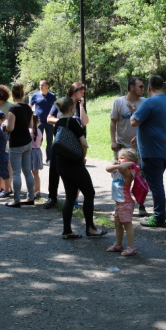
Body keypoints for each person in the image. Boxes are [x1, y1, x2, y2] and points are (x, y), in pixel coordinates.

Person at [54, 97, 106, 238]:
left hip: (61, 164)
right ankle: (90, 228)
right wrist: (82, 157)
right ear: (72, 108)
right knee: (89, 193)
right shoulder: (73, 122)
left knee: (70, 197)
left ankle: (67, 231)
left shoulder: (58, 123)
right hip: (74, 164)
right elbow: (83, 143)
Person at [131, 75, 166, 227]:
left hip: (151, 151)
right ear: (162, 86)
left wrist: (134, 112)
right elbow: (157, 123)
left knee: (156, 185)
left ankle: (159, 216)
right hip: (164, 149)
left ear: (149, 87)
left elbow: (134, 121)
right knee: (158, 183)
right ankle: (159, 214)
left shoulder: (149, 102)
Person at [44, 82, 89, 209]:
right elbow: (49, 118)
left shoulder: (80, 105)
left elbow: (85, 122)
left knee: (75, 171)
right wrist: (64, 121)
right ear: (75, 92)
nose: (83, 94)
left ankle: (73, 200)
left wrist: (81, 107)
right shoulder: (62, 103)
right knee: (54, 169)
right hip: (60, 142)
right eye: (81, 92)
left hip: (76, 142)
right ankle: (52, 197)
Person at [110, 76, 146, 213]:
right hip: (121, 147)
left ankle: (141, 205)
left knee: (140, 176)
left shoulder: (144, 102)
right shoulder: (119, 102)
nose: (143, 89)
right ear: (132, 87)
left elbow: (146, 122)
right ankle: (119, 205)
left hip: (139, 147)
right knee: (118, 177)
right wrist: (113, 141)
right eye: (140, 86)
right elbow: (113, 121)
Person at [5, 83, 36, 208]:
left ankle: (17, 200)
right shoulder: (28, 108)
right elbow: (30, 125)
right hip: (27, 142)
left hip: (16, 143)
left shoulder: (13, 109)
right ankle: (30, 197)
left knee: (16, 173)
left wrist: (5, 125)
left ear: (12, 95)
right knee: (28, 172)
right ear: (22, 95)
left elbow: (10, 128)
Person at [105, 148, 140, 256]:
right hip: (119, 203)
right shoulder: (118, 169)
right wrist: (118, 164)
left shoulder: (128, 173)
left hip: (125, 202)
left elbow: (121, 167)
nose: (119, 160)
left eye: (122, 158)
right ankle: (118, 245)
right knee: (118, 224)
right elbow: (107, 168)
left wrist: (132, 164)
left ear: (130, 161)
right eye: (118, 158)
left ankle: (131, 247)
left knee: (127, 224)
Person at [29, 80, 56, 164]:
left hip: (49, 122)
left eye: (43, 85)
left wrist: (55, 118)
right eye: (40, 85)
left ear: (47, 86)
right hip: (38, 122)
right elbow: (29, 106)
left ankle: (49, 159)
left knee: (49, 141)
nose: (41, 87)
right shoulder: (35, 95)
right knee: (37, 140)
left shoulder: (52, 96)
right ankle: (36, 158)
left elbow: (56, 107)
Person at [30, 115, 43, 198]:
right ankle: (37, 190)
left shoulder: (29, 131)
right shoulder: (39, 131)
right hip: (38, 151)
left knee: (30, 173)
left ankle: (32, 190)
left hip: (31, 152)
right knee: (36, 174)